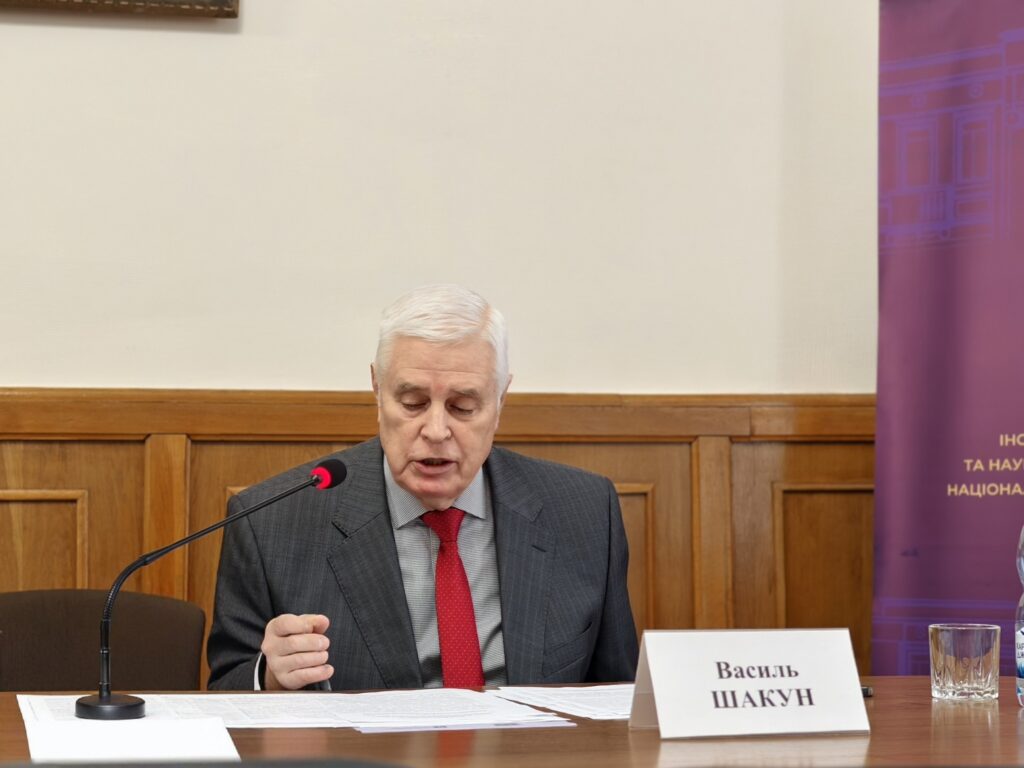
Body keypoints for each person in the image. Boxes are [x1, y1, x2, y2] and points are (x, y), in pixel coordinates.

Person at [207, 284, 638, 691]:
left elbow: (618, 698)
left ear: (500, 401)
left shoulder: (584, 513)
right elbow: (227, 688)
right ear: (377, 391)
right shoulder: (271, 523)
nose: (435, 430)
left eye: (462, 407)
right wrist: (269, 676)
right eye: (412, 403)